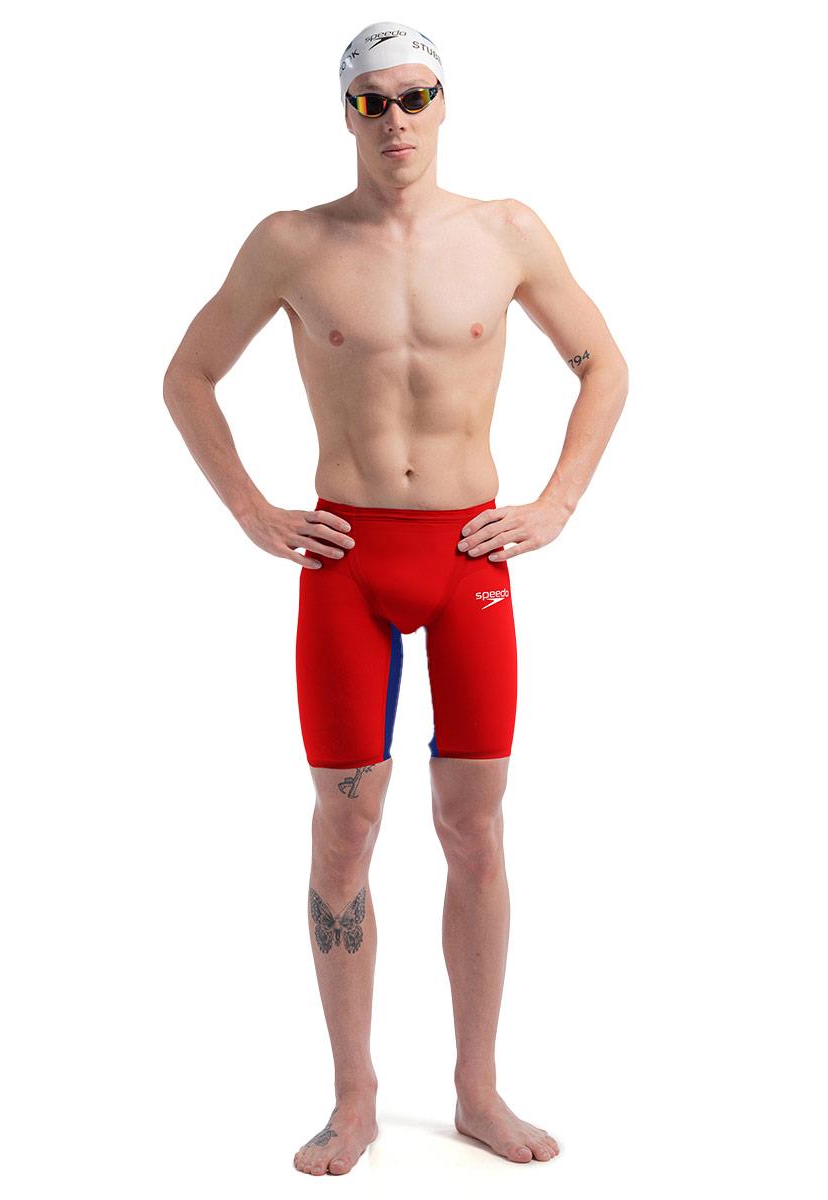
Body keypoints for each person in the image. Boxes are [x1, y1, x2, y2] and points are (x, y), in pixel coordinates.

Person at [163, 19, 628, 1177]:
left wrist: (558, 502)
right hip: (346, 563)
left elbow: (602, 365)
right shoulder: (291, 242)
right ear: (345, 115)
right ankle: (354, 1096)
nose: (394, 119)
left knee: (474, 829)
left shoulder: (505, 231)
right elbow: (188, 375)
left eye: (413, 96)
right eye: (371, 101)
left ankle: (475, 1088)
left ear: (442, 104)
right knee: (345, 830)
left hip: (468, 557)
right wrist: (250, 509)